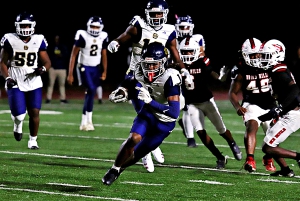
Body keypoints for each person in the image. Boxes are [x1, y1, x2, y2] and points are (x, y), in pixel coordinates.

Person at [106, 0, 189, 172]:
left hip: (158, 76)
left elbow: (175, 54)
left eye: (160, 14)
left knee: (154, 111)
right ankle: (146, 152)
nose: (157, 17)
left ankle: (150, 147)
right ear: (147, 14)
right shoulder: (139, 24)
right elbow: (124, 36)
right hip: (137, 75)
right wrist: (116, 42)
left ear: (165, 14)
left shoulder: (169, 30)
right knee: (143, 113)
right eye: (153, 14)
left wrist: (184, 71)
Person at [102, 41, 181, 185]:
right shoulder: (139, 69)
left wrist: (150, 101)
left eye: (154, 64)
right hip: (149, 113)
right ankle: (114, 169)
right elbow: (129, 83)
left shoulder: (170, 78)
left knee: (138, 154)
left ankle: (119, 169)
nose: (150, 68)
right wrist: (122, 91)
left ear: (163, 63)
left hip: (165, 121)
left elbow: (174, 113)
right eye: (147, 64)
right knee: (134, 138)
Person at [179, 37, 242, 168]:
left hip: (206, 101)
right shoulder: (177, 64)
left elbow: (212, 74)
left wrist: (220, 77)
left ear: (196, 51)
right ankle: (219, 157)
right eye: (184, 52)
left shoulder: (202, 62)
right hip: (192, 104)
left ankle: (232, 143)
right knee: (201, 133)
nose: (187, 55)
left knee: (221, 129)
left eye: (190, 52)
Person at [0, 11, 51, 149]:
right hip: (15, 79)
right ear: (17, 26)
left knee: (34, 112)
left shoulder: (38, 40)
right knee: (20, 115)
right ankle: (17, 124)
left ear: (33, 26)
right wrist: (8, 78)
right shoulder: (9, 39)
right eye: (23, 25)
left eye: (28, 25)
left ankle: (33, 140)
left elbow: (47, 62)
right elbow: (2, 63)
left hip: (33, 80)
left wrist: (43, 69)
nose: (25, 28)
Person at [228, 37, 277, 172]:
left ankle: (268, 158)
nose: (256, 58)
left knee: (273, 135)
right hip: (252, 103)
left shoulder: (270, 64)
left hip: (270, 104)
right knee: (252, 126)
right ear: (244, 55)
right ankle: (250, 160)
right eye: (252, 55)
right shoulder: (241, 69)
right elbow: (232, 93)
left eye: (258, 54)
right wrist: (237, 106)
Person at [257, 39, 300, 177]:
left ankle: (298, 157)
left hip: (292, 114)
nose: (263, 58)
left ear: (276, 54)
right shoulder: (275, 69)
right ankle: (286, 171)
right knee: (271, 142)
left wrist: (279, 109)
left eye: (266, 55)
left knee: (268, 147)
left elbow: (295, 89)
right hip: (288, 112)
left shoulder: (278, 69)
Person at [175, 14, 212, 147]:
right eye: (181, 27)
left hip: (195, 73)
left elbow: (202, 55)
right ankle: (190, 138)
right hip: (179, 73)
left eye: (186, 27)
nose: (184, 29)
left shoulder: (198, 38)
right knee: (186, 107)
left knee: (198, 106)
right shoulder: (172, 38)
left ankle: (186, 127)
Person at [67, 16, 108, 131]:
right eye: (92, 26)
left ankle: (84, 121)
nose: (94, 29)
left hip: (95, 68)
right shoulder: (82, 35)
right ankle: (88, 120)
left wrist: (104, 70)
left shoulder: (103, 36)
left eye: (97, 27)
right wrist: (70, 73)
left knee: (90, 93)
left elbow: (104, 54)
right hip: (84, 66)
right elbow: (73, 55)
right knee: (91, 89)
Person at [45, 35, 69, 104]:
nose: (56, 40)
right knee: (50, 84)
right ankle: (48, 98)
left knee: (62, 84)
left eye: (58, 39)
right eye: (55, 39)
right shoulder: (51, 47)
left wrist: (60, 55)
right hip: (52, 68)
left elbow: (66, 56)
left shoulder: (63, 47)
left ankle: (63, 98)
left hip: (62, 68)